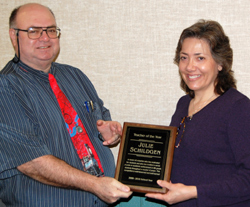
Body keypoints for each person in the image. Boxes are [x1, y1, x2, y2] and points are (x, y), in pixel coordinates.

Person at [0, 3, 132, 207]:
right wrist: (95, 185)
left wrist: (108, 131)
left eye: (51, 30)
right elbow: (32, 162)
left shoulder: (74, 75)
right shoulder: (6, 87)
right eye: (33, 31)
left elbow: (99, 119)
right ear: (13, 35)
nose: (45, 38)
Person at [145, 20, 250, 206]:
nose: (189, 66)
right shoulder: (183, 104)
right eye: (184, 57)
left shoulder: (238, 108)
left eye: (200, 58)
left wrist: (194, 192)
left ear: (220, 63)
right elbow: (171, 156)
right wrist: (126, 138)